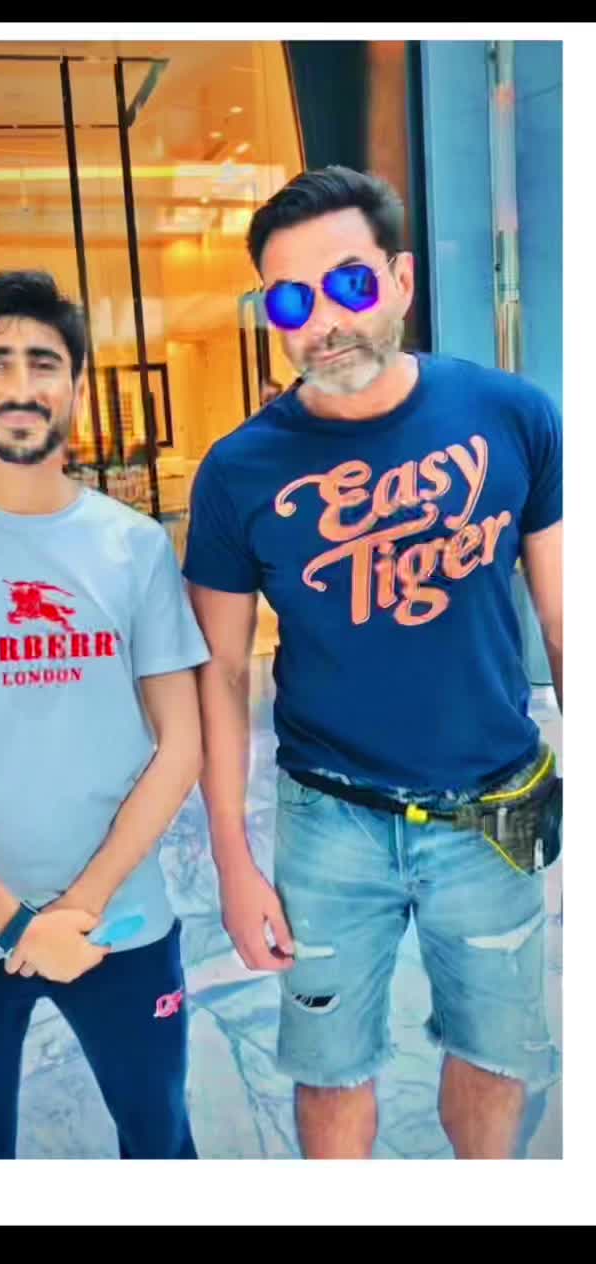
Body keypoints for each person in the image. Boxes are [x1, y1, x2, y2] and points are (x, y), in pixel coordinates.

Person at [183, 167, 562, 1160]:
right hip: (328, 822)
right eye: (290, 301)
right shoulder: (237, 471)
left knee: (495, 1062)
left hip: (494, 809)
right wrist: (232, 860)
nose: (325, 322)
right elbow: (220, 676)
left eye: (349, 284)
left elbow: (567, 620)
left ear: (399, 279)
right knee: (329, 1074)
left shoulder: (513, 415)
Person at [0, 270, 210, 1159]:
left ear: (78, 389)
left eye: (43, 362)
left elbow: (182, 745)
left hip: (120, 920)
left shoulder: (133, 547)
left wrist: (77, 909)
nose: (20, 386)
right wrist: (15, 922)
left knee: (160, 1142)